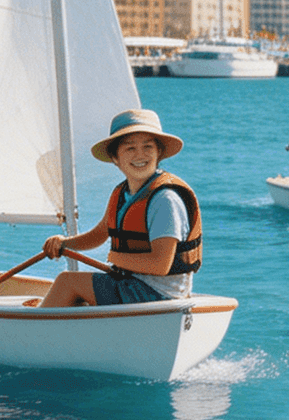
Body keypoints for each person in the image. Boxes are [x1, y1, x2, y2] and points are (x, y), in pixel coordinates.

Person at [36, 109, 202, 308]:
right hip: (134, 284)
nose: (140, 155)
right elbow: (98, 235)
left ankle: (32, 334)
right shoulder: (122, 193)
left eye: (148, 146)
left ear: (159, 153)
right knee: (74, 293)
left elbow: (160, 264)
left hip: (160, 294)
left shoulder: (164, 199)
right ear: (115, 158)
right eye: (130, 148)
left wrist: (116, 258)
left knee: (68, 282)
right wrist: (64, 244)